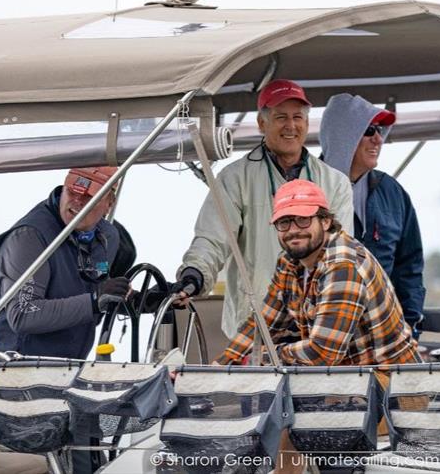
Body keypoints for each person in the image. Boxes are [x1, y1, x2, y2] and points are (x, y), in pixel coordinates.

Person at [175, 80, 353, 337]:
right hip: (254, 327)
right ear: (261, 123)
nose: (291, 126)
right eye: (281, 117)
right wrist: (195, 274)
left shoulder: (335, 182)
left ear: (307, 122)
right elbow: (212, 239)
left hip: (317, 328)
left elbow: (341, 255)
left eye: (298, 117)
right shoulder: (234, 178)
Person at [215, 179, 421, 366]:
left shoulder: (344, 265)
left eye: (303, 219)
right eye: (284, 222)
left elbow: (323, 353)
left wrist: (262, 357)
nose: (293, 230)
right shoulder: (289, 261)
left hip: (397, 390)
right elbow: (264, 325)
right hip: (355, 386)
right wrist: (221, 365)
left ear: (325, 221)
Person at [0, 167, 132, 359]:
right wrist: (95, 300)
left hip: (64, 365)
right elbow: (23, 314)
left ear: (109, 203)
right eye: (72, 191)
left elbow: (97, 295)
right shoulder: (29, 237)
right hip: (5, 366)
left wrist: (145, 301)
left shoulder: (107, 236)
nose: (77, 201)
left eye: (89, 197)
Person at [319, 93, 425, 337]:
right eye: (369, 130)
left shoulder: (393, 192)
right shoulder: (304, 187)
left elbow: (409, 265)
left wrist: (409, 327)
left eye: (379, 130)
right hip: (322, 337)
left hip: (382, 337)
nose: (378, 138)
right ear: (344, 136)